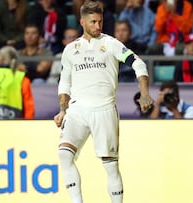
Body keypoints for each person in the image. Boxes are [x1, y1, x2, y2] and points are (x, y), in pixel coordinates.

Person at [53, 1, 153, 203]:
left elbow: (138, 64)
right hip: (77, 110)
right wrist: (63, 110)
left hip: (104, 110)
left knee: (111, 166)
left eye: (100, 21)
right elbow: (64, 84)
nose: (98, 26)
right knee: (64, 155)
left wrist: (144, 93)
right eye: (93, 22)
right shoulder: (70, 50)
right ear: (82, 22)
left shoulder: (112, 44)